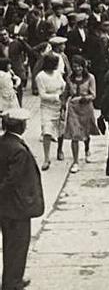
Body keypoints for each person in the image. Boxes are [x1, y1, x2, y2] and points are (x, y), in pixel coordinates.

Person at [0, 109, 44, 290]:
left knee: (10, 244)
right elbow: (12, 180)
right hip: (16, 207)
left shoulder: (3, 143)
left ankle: (11, 279)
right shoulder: (19, 150)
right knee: (17, 246)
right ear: (21, 126)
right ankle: (12, 282)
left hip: (5, 207)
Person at [61, 55, 97, 173]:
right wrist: (62, 106)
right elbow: (66, 92)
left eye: (80, 67)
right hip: (73, 109)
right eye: (75, 67)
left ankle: (87, 149)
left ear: (83, 67)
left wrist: (82, 98)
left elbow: (93, 95)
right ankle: (75, 161)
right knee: (74, 134)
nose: (77, 69)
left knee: (86, 132)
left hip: (86, 108)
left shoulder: (90, 78)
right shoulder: (69, 79)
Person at [35, 52, 65, 171]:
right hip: (47, 107)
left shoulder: (57, 74)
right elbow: (42, 95)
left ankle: (59, 150)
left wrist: (63, 95)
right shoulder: (40, 77)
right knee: (47, 131)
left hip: (59, 106)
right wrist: (56, 96)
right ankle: (46, 158)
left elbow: (63, 85)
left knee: (61, 130)